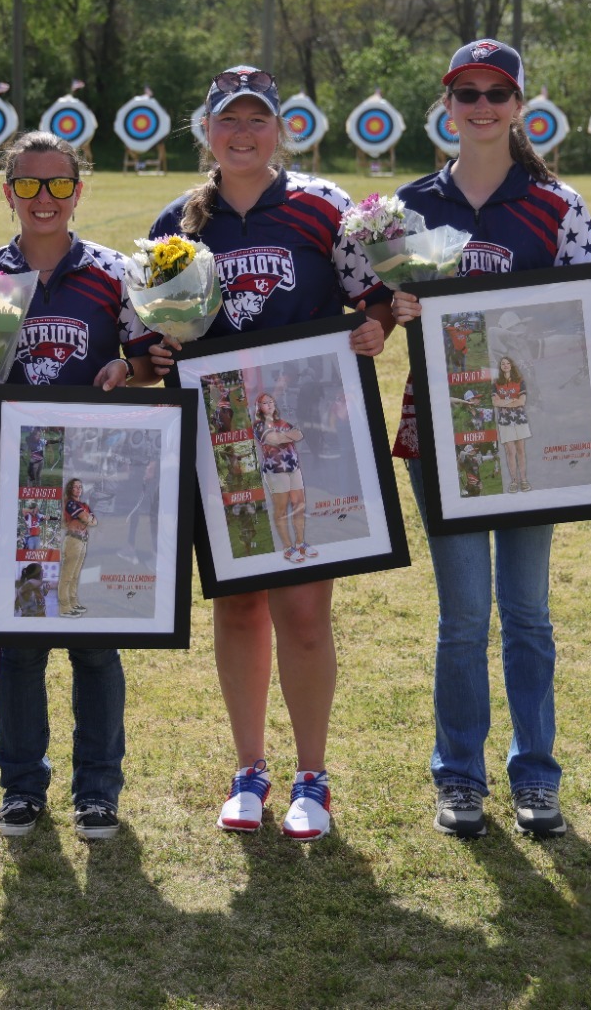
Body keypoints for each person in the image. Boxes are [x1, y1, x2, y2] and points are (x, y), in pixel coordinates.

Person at [145, 65, 394, 842]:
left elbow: (378, 292)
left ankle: (312, 775)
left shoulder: (324, 207)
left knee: (305, 609)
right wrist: (152, 353)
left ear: (281, 128)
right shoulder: (178, 220)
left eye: (257, 120)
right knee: (240, 601)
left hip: (310, 431)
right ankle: (249, 767)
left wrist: (378, 326)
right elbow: (147, 326)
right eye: (228, 120)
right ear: (206, 130)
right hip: (220, 434)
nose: (242, 134)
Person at [385, 39, 591, 840]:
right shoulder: (405, 209)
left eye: (496, 93)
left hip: (530, 426)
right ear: (447, 104)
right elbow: (364, 314)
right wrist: (391, 311)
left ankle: (536, 775)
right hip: (441, 432)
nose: (481, 106)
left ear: (520, 106)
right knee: (463, 616)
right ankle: (458, 777)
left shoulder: (558, 204)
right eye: (466, 92)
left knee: (528, 612)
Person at [0, 130, 156, 843]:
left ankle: (98, 789)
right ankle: (22, 786)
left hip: (92, 480)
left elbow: (150, 360)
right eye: (27, 185)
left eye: (58, 185)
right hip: (11, 478)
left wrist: (129, 370)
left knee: (93, 634)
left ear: (78, 191)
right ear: (7, 192)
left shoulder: (114, 275)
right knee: (23, 632)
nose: (43, 199)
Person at [250, 394, 313, 563]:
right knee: (281, 509)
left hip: (293, 467)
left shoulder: (281, 422)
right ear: (259, 407)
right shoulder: (258, 425)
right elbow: (273, 439)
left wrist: (283, 436)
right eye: (265, 402)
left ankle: (300, 542)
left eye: (271, 401)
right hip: (275, 470)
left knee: (299, 504)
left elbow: (299, 434)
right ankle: (287, 547)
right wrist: (287, 435)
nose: (269, 404)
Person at [59, 478, 97, 617]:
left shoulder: (83, 505)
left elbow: (94, 521)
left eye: (80, 487)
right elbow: (88, 519)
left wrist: (88, 518)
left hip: (82, 541)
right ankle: (64, 607)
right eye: (75, 487)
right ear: (70, 489)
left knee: (75, 576)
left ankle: (73, 603)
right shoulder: (70, 503)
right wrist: (87, 518)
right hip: (73, 541)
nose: (79, 489)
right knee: (67, 576)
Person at [494, 355, 531, 492]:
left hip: (519, 419)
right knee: (510, 451)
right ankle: (514, 481)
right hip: (505, 421)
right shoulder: (496, 383)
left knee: (521, 450)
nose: (505, 365)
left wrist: (505, 402)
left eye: (507, 363)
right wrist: (512, 400)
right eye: (503, 363)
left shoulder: (520, 381)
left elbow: (522, 401)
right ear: (501, 367)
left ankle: (524, 480)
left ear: (511, 365)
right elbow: (495, 402)